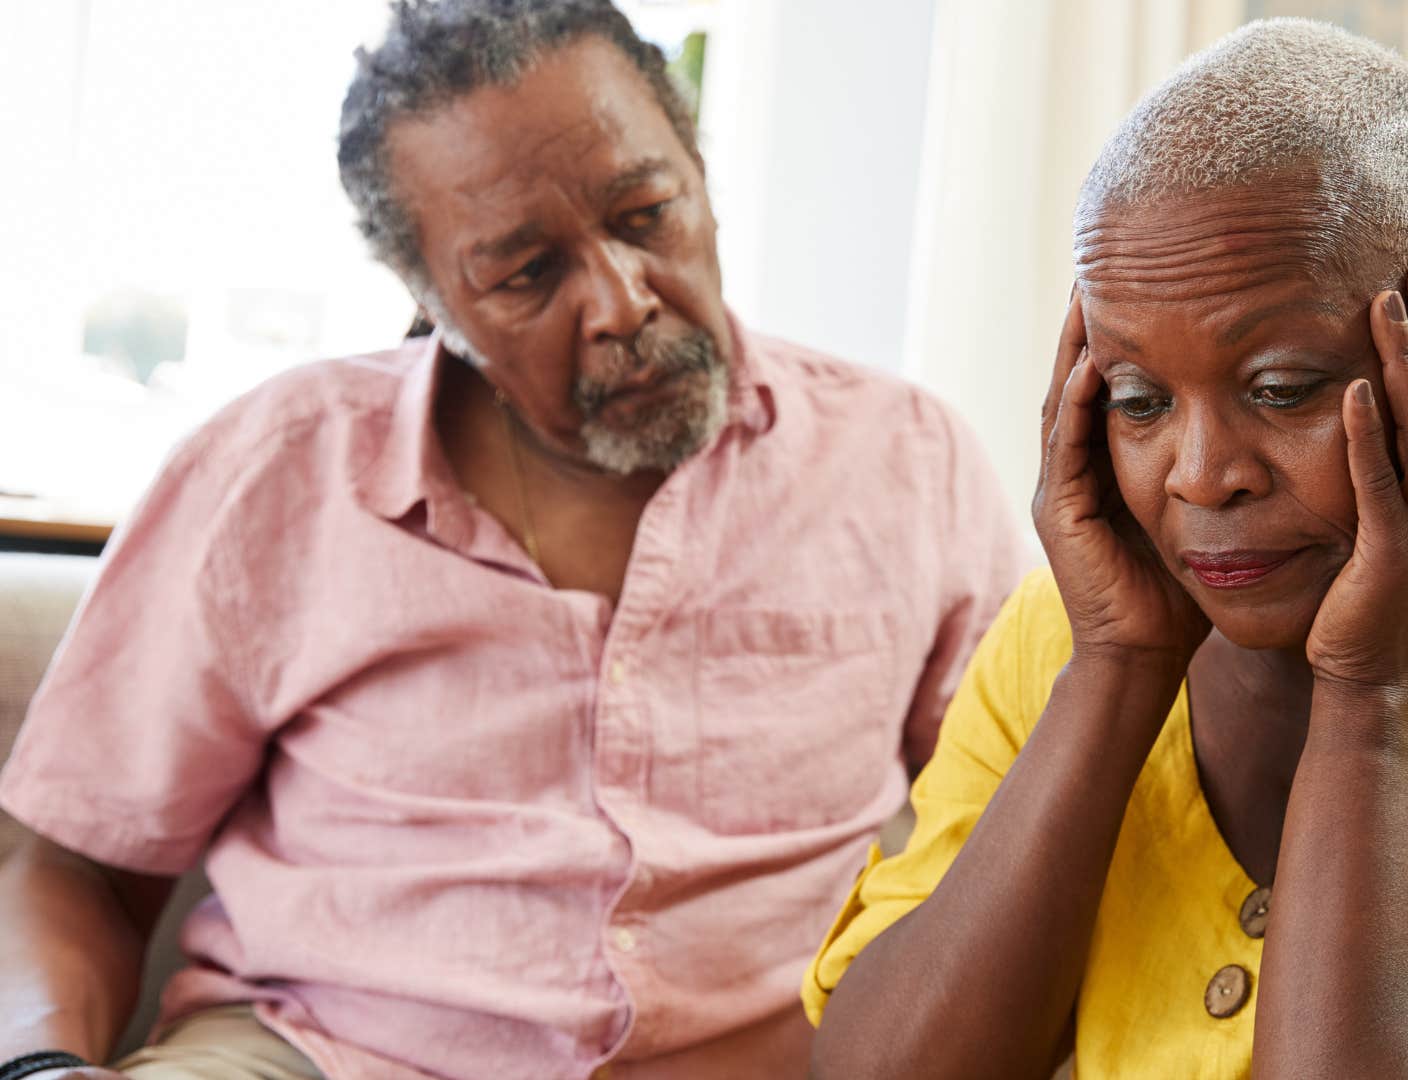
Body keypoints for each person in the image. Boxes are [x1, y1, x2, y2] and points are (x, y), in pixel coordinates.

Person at [0, 2, 1023, 1078]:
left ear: (702, 175)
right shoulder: (273, 469)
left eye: (646, 214)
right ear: (429, 295)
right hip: (322, 1055)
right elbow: (83, 871)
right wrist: (43, 1068)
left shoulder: (906, 460)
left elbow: (1018, 829)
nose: (622, 302)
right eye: (527, 273)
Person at [805, 19, 1408, 1080]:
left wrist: (1368, 697)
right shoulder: (1067, 629)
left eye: (1281, 389)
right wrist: (1116, 670)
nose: (1199, 474)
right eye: (1139, 400)